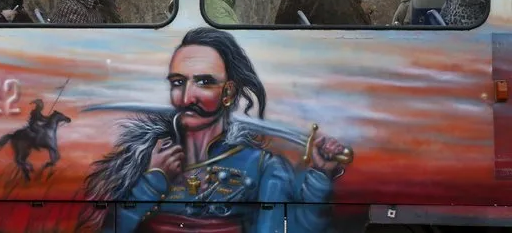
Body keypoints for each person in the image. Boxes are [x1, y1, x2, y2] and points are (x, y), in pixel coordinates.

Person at [79, 27, 347, 233]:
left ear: (228, 92)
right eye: (177, 82)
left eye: (204, 82)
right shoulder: (141, 158)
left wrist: (319, 176)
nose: (186, 98)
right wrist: (151, 182)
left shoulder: (263, 166)